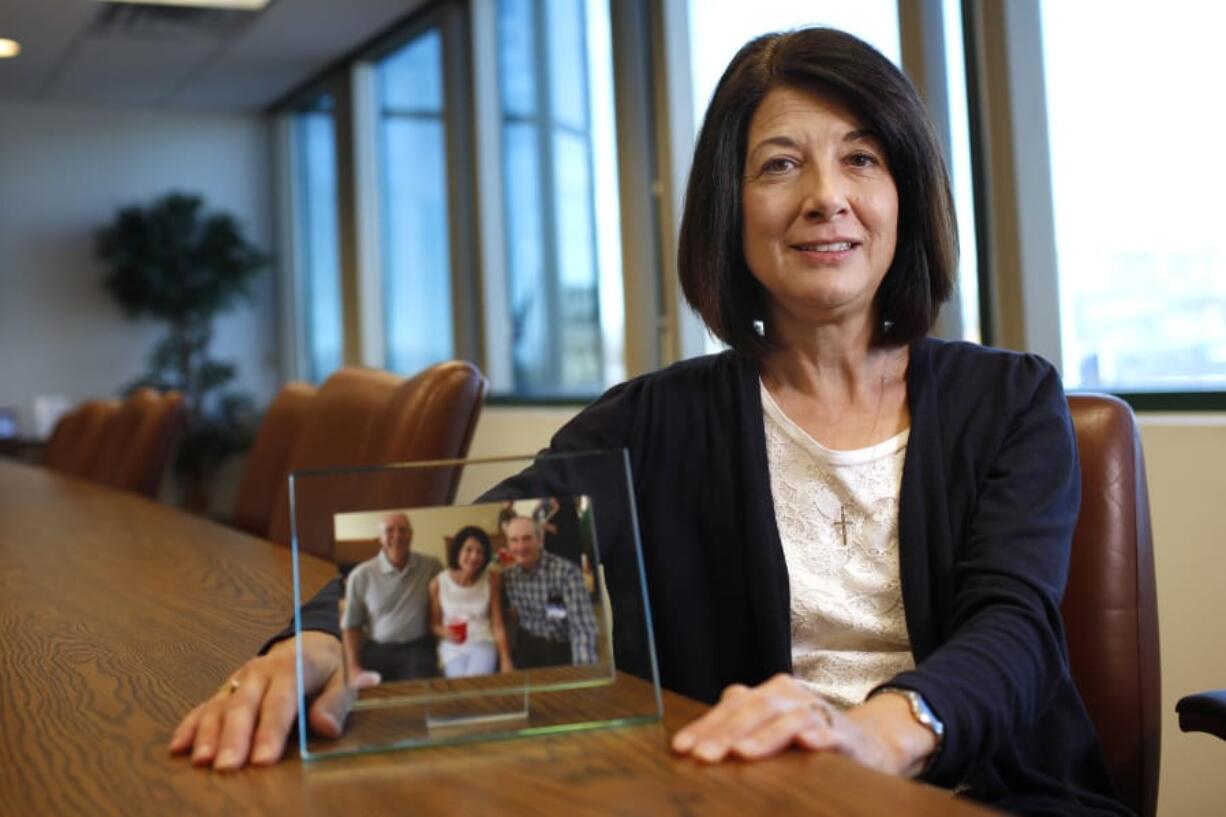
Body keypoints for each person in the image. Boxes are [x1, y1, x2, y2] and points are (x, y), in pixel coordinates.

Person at [169, 27, 1127, 816]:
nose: (824, 196)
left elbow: (1016, 628)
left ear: (904, 195)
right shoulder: (657, 421)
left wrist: (874, 733)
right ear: (731, 212)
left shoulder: (1012, 400)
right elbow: (465, 558)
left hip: (988, 792)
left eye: (861, 159)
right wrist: (316, 642)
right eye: (780, 164)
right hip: (749, 795)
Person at [341, 512, 442, 683]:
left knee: (417, 699)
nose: (397, 536)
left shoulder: (432, 567)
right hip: (377, 649)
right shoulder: (360, 575)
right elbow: (351, 625)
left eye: (403, 530)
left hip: (416, 648)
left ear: (411, 535)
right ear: (380, 538)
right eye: (389, 531)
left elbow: (452, 591)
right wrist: (353, 667)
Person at [500, 515, 599, 668]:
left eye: (527, 538)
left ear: (540, 540)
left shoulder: (566, 572)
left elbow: (583, 629)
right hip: (525, 646)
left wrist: (584, 673)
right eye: (514, 540)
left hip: (558, 647)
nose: (520, 547)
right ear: (508, 544)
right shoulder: (508, 576)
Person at [428, 525, 513, 677]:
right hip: (451, 647)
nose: (474, 557)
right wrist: (444, 632)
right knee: (459, 688)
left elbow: (497, 625)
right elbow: (434, 624)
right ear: (458, 551)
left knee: (475, 684)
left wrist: (506, 659)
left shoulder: (492, 579)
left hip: (483, 642)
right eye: (468, 550)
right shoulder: (438, 583)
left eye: (480, 552)